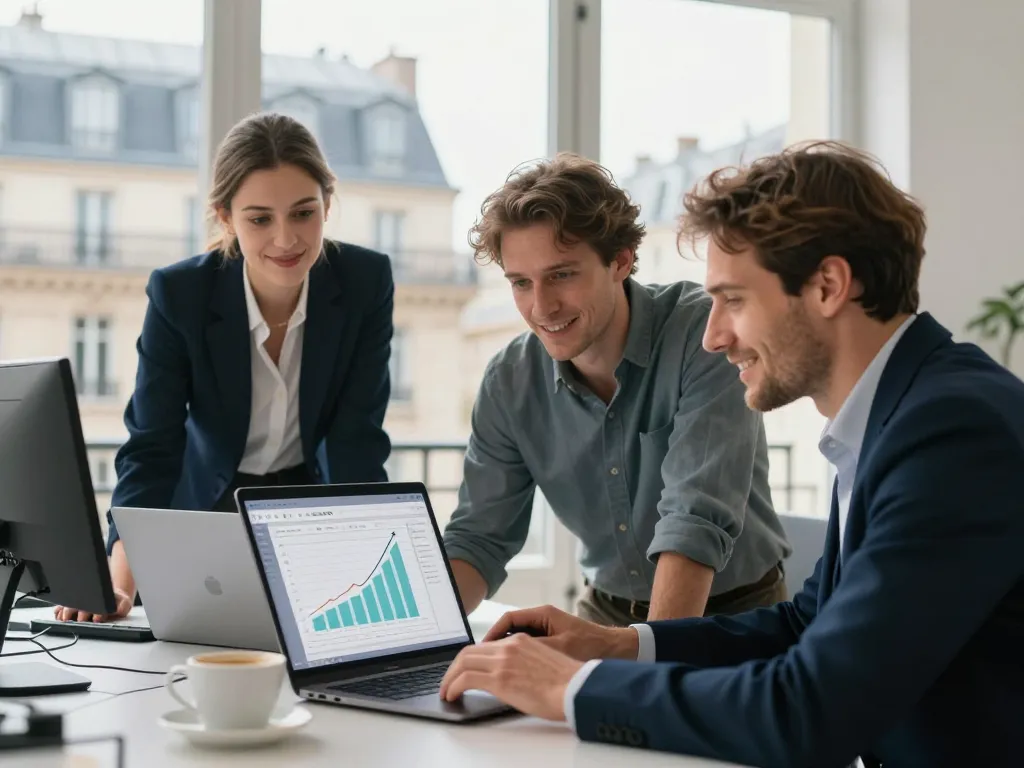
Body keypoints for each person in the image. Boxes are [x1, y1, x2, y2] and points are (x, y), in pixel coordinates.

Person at [437, 141, 1024, 768]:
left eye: (734, 300)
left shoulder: (948, 432)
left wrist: (569, 687)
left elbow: (811, 710)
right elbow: (805, 625)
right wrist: (618, 645)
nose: (715, 334)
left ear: (828, 285)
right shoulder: (897, 414)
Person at [55, 112, 394, 622]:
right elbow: (153, 445)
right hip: (205, 510)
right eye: (260, 218)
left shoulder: (365, 281)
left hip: (310, 508)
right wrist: (118, 581)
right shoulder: (181, 294)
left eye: (304, 213)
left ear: (327, 203)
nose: (286, 240)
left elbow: (357, 441)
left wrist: (368, 567)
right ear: (224, 216)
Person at [443, 153, 791, 626]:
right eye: (521, 283)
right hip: (605, 611)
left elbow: (693, 522)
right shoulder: (510, 381)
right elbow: (479, 538)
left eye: (562, 274)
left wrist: (645, 668)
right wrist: (403, 642)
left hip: (735, 618)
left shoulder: (704, 336)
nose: (541, 307)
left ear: (621, 261)